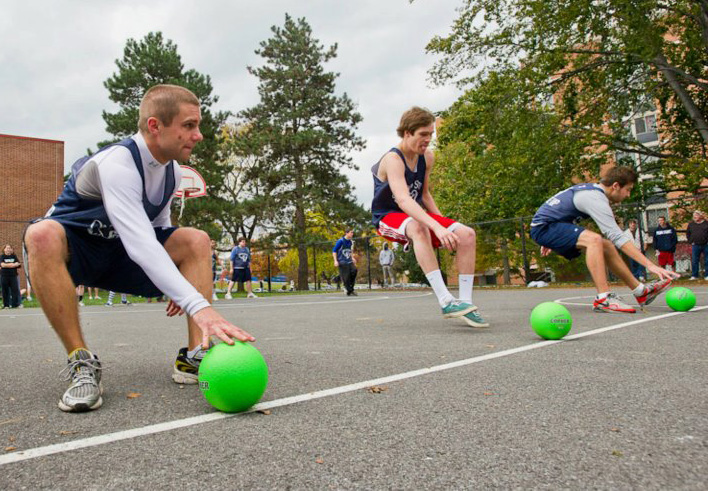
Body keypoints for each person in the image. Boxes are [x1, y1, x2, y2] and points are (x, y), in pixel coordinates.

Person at [23, 84, 254, 413]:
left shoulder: (172, 171)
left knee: (196, 240)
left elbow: (159, 228)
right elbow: (141, 242)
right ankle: (81, 362)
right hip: (79, 254)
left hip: (120, 257)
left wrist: (180, 281)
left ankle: (193, 357)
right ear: (155, 126)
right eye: (189, 125)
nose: (198, 135)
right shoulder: (118, 162)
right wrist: (199, 305)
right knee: (41, 234)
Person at [371, 106, 488, 327]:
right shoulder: (393, 159)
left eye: (431, 134)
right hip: (389, 216)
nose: (428, 139)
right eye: (423, 134)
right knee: (418, 226)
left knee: (466, 234)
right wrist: (437, 227)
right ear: (407, 133)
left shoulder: (427, 157)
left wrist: (447, 226)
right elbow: (404, 200)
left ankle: (465, 304)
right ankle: (446, 301)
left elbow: (424, 194)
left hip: (415, 215)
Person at [530, 166, 678, 313]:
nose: (628, 195)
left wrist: (553, 237)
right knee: (594, 240)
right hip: (545, 228)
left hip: (550, 227)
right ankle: (603, 298)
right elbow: (618, 237)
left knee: (605, 244)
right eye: (628, 189)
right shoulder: (595, 198)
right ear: (615, 186)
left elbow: (557, 211)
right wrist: (650, 265)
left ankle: (641, 291)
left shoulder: (592, 191)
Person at [333, 229, 358, 296]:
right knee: (346, 276)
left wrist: (352, 258)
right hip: (342, 261)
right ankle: (349, 290)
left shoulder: (350, 242)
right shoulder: (340, 241)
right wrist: (335, 261)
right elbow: (334, 251)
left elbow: (350, 251)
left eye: (353, 232)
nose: (352, 234)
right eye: (351, 232)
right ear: (346, 233)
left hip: (349, 260)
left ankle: (350, 288)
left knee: (354, 270)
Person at [687, 210, 708, 280]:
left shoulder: (706, 223)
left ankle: (707, 275)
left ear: (700, 216)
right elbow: (688, 234)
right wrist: (691, 241)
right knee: (694, 260)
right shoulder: (691, 224)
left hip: (706, 245)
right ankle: (694, 275)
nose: (694, 217)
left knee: (707, 260)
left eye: (696, 215)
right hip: (695, 245)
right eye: (694, 216)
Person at [1, 244, 22, 309]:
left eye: (9, 248)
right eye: (7, 248)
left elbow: (18, 264)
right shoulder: (2, 257)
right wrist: (13, 265)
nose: (8, 249)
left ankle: (15, 304)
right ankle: (6, 305)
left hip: (13, 276)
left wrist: (8, 265)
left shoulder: (14, 256)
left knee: (15, 290)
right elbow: (3, 265)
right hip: (4, 276)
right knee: (5, 291)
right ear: (4, 250)